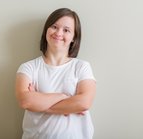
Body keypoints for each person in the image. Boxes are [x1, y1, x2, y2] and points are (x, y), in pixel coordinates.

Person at [15, 8, 96, 139]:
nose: (58, 33)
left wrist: (41, 104)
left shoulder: (82, 67)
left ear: (74, 38)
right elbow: (26, 101)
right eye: (54, 26)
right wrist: (65, 97)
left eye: (66, 30)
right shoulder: (28, 68)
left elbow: (84, 103)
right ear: (46, 30)